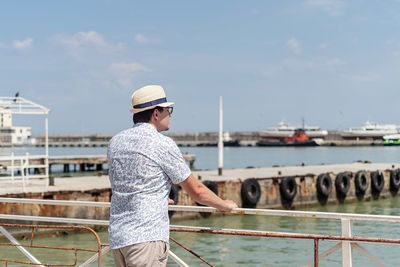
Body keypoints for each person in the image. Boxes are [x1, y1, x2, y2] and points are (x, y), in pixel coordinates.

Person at [107, 85, 238, 267]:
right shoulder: (162, 144)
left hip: (118, 237)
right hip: (146, 238)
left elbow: (121, 185)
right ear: (156, 113)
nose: (170, 114)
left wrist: (157, 197)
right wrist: (224, 205)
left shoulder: (116, 141)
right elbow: (197, 190)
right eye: (168, 110)